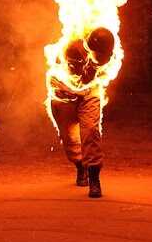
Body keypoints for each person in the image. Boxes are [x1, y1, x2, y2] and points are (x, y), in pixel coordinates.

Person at [49, 27, 115, 198]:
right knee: (69, 137)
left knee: (91, 131)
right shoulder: (71, 49)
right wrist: (91, 68)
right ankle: (80, 166)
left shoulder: (110, 53)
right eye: (99, 54)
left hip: (89, 93)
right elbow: (73, 81)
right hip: (64, 94)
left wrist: (97, 67)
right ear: (89, 48)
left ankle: (94, 179)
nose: (104, 58)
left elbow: (96, 80)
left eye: (105, 55)